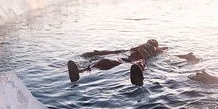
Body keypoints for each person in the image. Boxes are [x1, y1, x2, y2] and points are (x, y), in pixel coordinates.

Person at [68, 39, 199, 86]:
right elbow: (117, 51)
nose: (150, 43)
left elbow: (171, 55)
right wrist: (97, 53)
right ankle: (81, 72)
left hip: (139, 59)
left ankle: (138, 78)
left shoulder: (157, 50)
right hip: (126, 58)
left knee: (140, 64)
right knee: (105, 61)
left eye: (152, 43)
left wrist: (186, 56)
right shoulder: (138, 47)